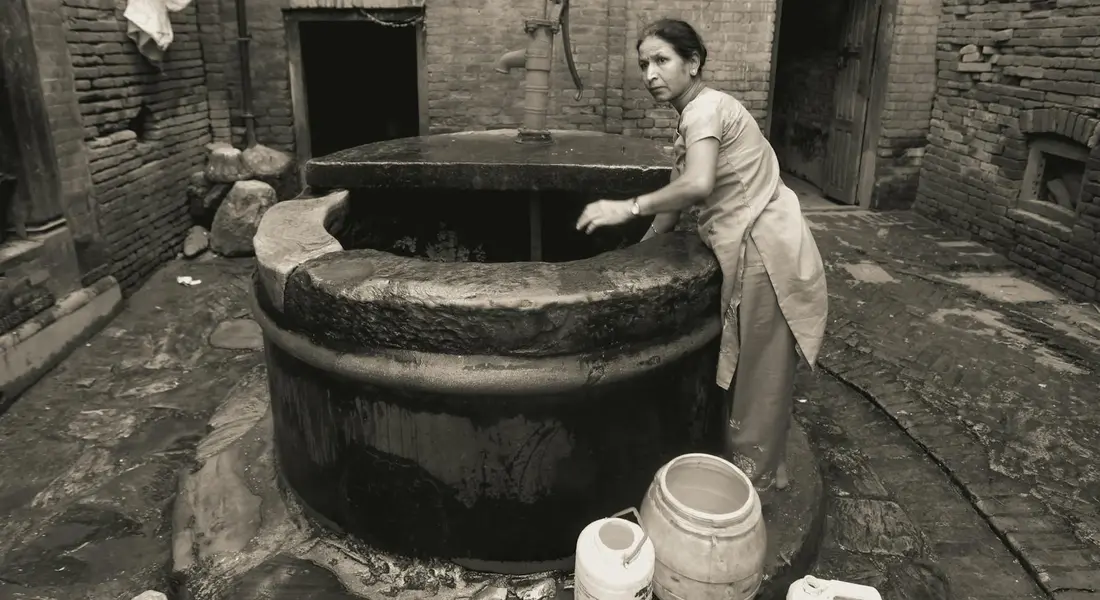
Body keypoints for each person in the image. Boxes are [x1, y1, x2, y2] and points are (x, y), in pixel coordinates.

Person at [575, 18, 828, 495]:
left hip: (765, 250)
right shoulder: (693, 118)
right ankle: (754, 470)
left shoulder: (703, 111)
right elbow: (674, 207)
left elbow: (697, 185)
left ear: (692, 63)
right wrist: (629, 260)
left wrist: (624, 206)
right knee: (753, 370)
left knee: (759, 376)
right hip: (759, 241)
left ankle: (745, 495)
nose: (650, 73)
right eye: (644, 64)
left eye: (662, 61)